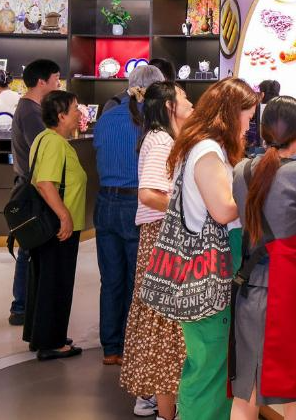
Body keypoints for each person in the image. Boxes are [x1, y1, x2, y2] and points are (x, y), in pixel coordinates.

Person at [166, 77, 258, 420]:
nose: (248, 126)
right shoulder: (207, 150)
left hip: (201, 268)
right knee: (211, 365)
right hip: (210, 269)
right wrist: (256, 189)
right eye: (247, 117)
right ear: (231, 114)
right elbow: (222, 210)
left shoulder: (199, 146)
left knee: (209, 362)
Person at [230, 96, 296, 420]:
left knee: (246, 389)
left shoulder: (241, 170)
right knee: (295, 390)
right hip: (290, 292)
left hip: (248, 287)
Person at [121, 82, 194, 420]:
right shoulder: (163, 141)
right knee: (164, 324)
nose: (190, 102)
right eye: (183, 97)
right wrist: (187, 206)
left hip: (159, 238)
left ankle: (154, 398)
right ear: (168, 106)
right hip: (161, 239)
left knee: (158, 322)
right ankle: (165, 408)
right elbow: (149, 194)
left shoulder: (161, 138)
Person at [93, 64, 165, 366]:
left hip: (104, 203)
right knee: (139, 279)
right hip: (136, 204)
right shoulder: (151, 123)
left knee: (111, 279)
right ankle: (133, 346)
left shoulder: (106, 117)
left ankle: (111, 347)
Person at [23, 90, 86, 361]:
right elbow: (45, 183)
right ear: (61, 116)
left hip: (48, 225)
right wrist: (64, 216)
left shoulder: (44, 138)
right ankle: (52, 342)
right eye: (75, 109)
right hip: (58, 227)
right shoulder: (55, 143)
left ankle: (42, 335)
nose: (79, 113)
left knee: (45, 280)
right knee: (57, 283)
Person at [8, 59, 61, 326]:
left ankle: (25, 305)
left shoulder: (31, 108)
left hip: (31, 185)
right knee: (29, 248)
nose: (58, 84)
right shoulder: (31, 112)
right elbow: (43, 151)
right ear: (42, 82)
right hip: (32, 189)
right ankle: (21, 306)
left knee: (31, 248)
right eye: (56, 79)